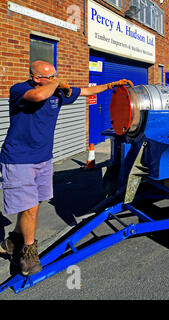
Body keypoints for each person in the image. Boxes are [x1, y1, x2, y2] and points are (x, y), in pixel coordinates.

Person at [0, 60, 133, 276]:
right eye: (50, 76)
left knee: (35, 203)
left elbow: (87, 90)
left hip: (43, 159)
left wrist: (110, 85)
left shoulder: (58, 92)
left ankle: (13, 240)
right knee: (30, 207)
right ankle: (29, 252)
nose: (55, 78)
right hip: (19, 159)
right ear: (36, 78)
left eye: (56, 75)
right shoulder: (20, 89)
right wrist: (58, 82)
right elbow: (39, 96)